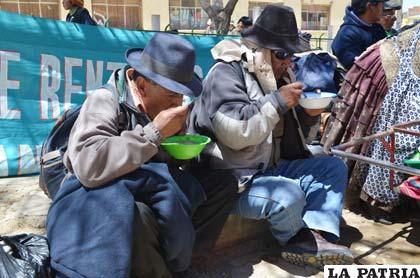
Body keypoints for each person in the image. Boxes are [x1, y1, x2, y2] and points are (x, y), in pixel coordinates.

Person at [46, 33, 238, 278]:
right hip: (107, 192)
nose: (178, 102)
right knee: (136, 214)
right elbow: (87, 165)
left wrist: (178, 147)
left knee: (223, 184)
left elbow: (167, 168)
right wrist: (154, 133)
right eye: (172, 95)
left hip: (150, 184)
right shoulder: (104, 100)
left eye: (182, 95)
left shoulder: (165, 105)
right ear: (143, 85)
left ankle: (185, 260)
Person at [189, 4, 353, 268]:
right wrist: (277, 101)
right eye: (282, 54)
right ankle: (301, 242)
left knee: (331, 166)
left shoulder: (280, 73)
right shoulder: (226, 72)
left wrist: (309, 118)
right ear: (259, 49)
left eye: (290, 54)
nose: (288, 61)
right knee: (288, 195)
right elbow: (235, 132)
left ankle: (316, 235)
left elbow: (295, 138)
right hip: (234, 180)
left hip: (269, 167)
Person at [323, 23, 420, 224]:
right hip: (388, 73)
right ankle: (377, 201)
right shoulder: (350, 31)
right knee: (391, 142)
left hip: (405, 78)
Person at [332, 0, 388, 69]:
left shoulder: (377, 28)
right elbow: (355, 70)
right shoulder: (346, 35)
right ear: (370, 7)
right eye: (382, 4)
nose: (384, 8)